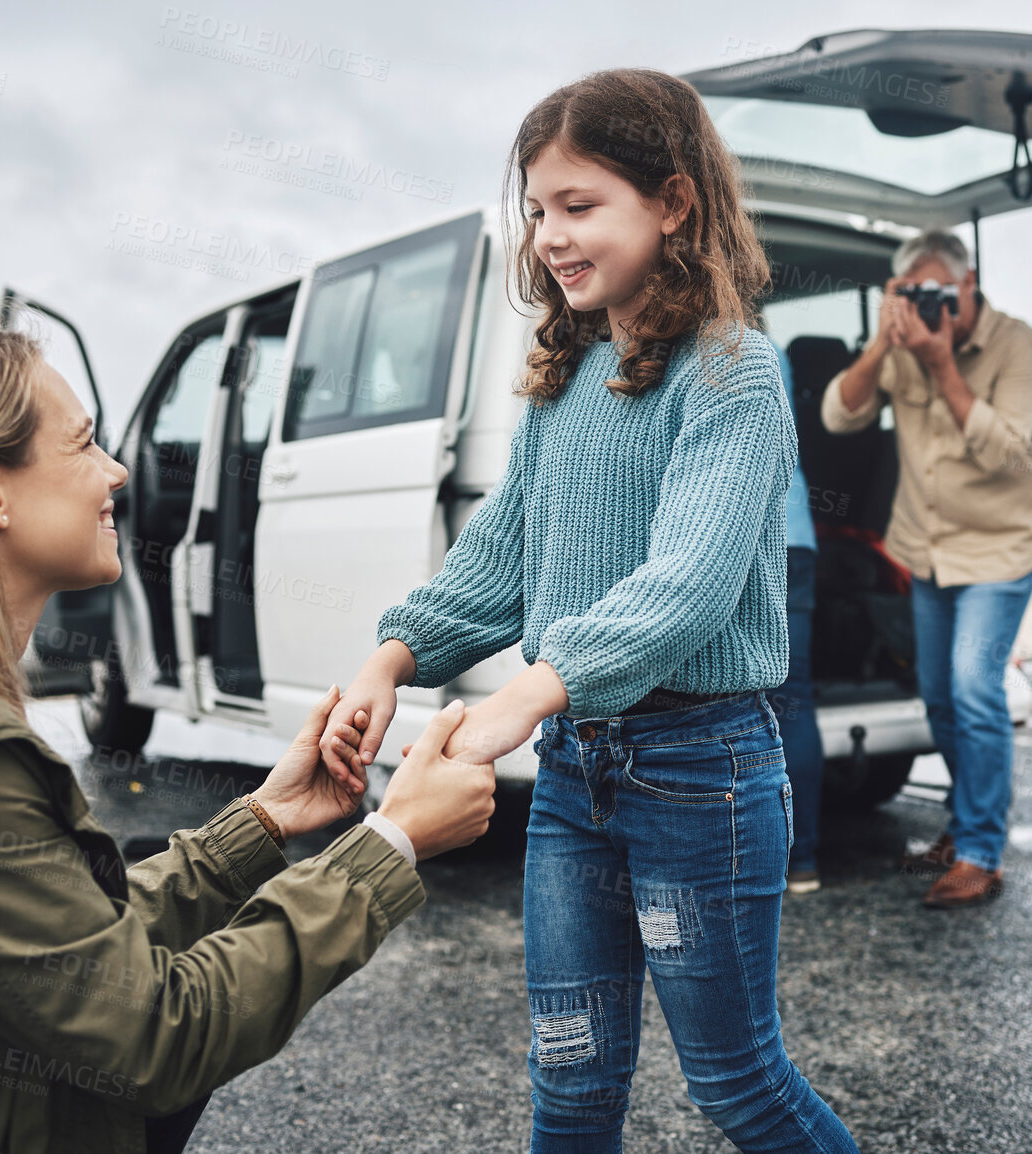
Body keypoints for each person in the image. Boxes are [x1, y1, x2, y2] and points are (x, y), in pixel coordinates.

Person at [0, 330, 497, 1154]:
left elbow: (67, 948)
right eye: (82, 444)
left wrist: (260, 821)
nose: (116, 471)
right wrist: (390, 845)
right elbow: (152, 1037)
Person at [320, 70, 859, 1153]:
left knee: (736, 1082)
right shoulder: (564, 382)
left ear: (672, 202)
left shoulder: (734, 374)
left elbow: (689, 580)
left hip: (702, 773)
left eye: (579, 205)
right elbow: (502, 554)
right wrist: (392, 655)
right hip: (575, 776)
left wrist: (527, 688)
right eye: (536, 210)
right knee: (567, 1082)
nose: (552, 235)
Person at [820, 229, 1032, 910]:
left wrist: (943, 364)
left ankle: (981, 852)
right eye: (910, 293)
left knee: (977, 691)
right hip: (924, 549)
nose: (924, 305)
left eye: (935, 294)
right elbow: (838, 416)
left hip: (998, 551)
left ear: (967, 287)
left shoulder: (1018, 346)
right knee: (940, 697)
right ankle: (965, 827)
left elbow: (1006, 455)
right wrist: (883, 344)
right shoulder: (902, 346)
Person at [769, 340, 824, 894]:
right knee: (795, 699)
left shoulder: (693, 348)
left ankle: (755, 856)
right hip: (798, 537)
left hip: (745, 541)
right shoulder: (773, 350)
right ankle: (801, 860)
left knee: (733, 706)